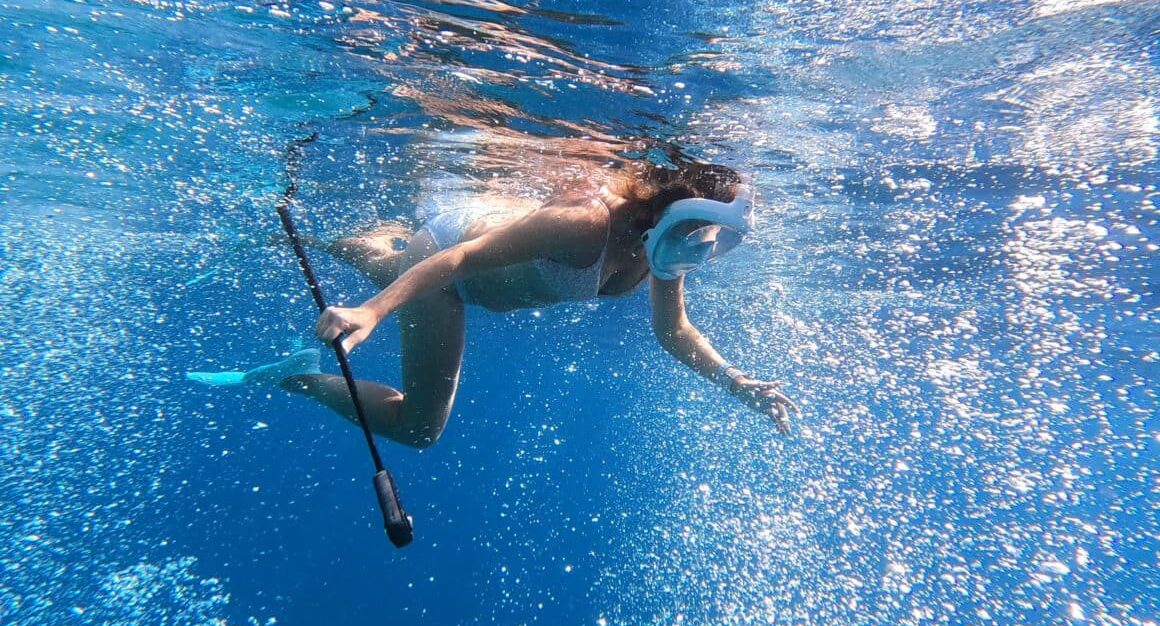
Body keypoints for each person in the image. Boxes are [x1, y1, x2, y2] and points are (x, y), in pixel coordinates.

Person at [190, 158, 797, 446]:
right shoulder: (587, 224)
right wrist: (372, 312)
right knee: (419, 428)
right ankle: (298, 376)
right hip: (453, 268)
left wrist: (741, 383)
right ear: (665, 208)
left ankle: (319, 237)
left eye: (708, 243)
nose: (694, 253)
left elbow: (674, 331)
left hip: (455, 270)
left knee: (394, 261)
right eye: (692, 234)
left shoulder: (661, 251)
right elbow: (460, 261)